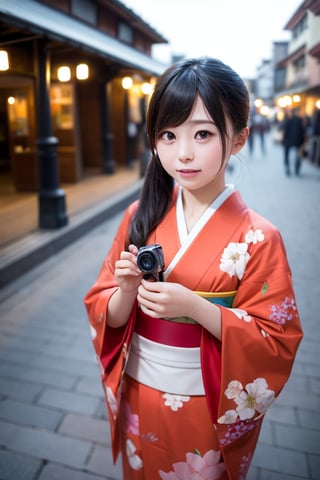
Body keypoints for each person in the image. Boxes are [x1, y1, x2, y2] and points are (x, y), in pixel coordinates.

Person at [84, 57, 303, 479]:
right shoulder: (140, 215)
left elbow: (278, 341)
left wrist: (197, 308)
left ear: (239, 139)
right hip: (140, 394)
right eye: (168, 134)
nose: (183, 152)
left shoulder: (259, 238)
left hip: (207, 404)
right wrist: (126, 292)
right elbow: (102, 309)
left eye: (202, 133)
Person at [282, 108, 305, 176]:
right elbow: (302, 130)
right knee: (296, 155)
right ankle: (294, 169)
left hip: (290, 140)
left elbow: (285, 131)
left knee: (289, 155)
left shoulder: (287, 120)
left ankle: (289, 168)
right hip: (296, 140)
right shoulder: (299, 119)